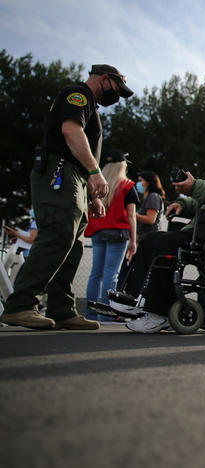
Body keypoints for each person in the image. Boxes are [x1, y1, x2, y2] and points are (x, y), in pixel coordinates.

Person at [0, 64, 133, 330]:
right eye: (117, 89)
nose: (117, 97)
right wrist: (95, 172)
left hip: (74, 179)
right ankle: (21, 305)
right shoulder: (79, 95)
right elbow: (71, 132)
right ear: (105, 79)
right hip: (59, 172)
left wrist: (91, 193)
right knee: (58, 234)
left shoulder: (90, 106)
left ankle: (62, 310)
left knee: (72, 246)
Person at [109, 133, 205, 333]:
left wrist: (195, 186)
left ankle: (159, 312)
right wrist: (183, 203)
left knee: (165, 244)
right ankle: (133, 296)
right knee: (150, 240)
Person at [84, 150, 138, 322]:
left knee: (95, 274)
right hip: (117, 232)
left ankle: (90, 314)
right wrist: (134, 240)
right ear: (123, 165)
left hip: (98, 230)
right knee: (111, 274)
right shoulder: (127, 185)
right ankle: (105, 316)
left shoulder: (96, 184)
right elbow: (131, 216)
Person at [135, 171, 166, 239]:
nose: (138, 183)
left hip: (152, 238)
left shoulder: (153, 197)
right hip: (145, 238)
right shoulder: (146, 198)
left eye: (141, 180)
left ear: (148, 182)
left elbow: (150, 219)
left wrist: (131, 214)